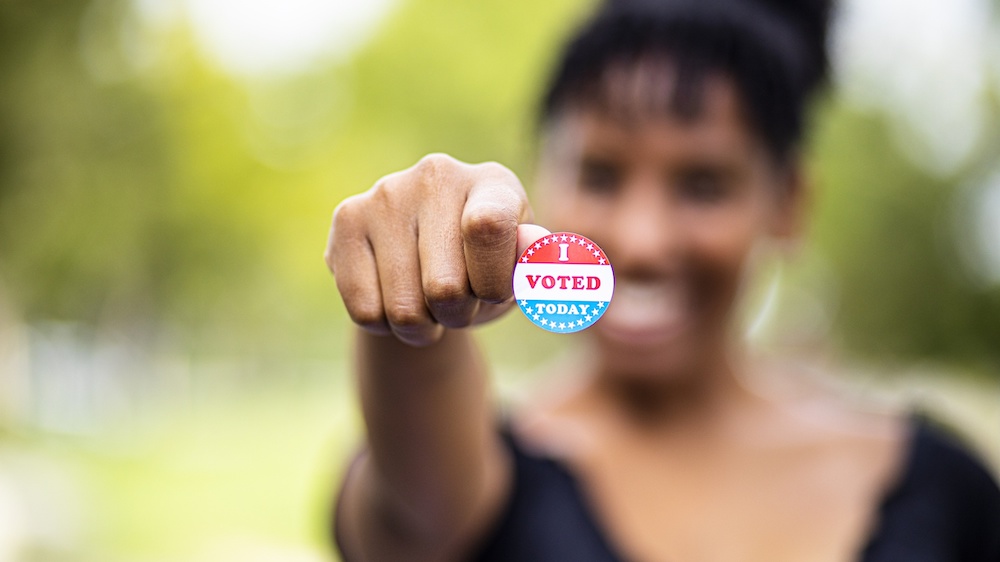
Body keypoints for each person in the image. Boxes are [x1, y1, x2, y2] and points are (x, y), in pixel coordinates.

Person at [325, 0, 1000, 560]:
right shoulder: (462, 472)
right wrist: (417, 305)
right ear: (545, 173)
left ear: (788, 202)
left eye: (703, 185)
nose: (642, 243)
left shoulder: (943, 486)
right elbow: (415, 501)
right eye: (601, 174)